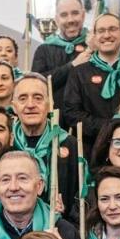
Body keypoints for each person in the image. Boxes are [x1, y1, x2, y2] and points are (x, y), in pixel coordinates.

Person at [10, 73, 79, 222]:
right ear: (13, 107)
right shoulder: (7, 144)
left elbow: (79, 196)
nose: (30, 105)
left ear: (49, 104)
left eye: (38, 98)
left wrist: (65, 213)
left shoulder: (68, 143)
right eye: (23, 98)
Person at [62, 13, 120, 153]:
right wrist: (109, 127)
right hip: (90, 149)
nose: (107, 35)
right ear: (94, 37)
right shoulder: (79, 73)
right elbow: (71, 113)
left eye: (112, 29)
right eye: (101, 31)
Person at [31, 0, 89, 106]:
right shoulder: (44, 49)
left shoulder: (93, 46)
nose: (70, 20)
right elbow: (36, 84)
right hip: (54, 119)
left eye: (75, 13)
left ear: (83, 15)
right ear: (57, 19)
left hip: (87, 118)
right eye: (64, 15)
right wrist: (71, 66)